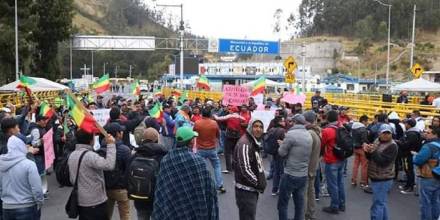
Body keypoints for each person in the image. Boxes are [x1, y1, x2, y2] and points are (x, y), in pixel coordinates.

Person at [152, 127, 218, 220]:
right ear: (191, 142)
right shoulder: (198, 161)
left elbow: (162, 189)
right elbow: (209, 188)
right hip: (194, 209)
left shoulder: (166, 160)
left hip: (172, 209)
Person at [68, 130, 116, 220]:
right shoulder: (90, 156)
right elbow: (109, 165)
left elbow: (72, 179)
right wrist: (111, 145)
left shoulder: (72, 155)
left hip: (81, 200)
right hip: (95, 201)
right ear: (91, 140)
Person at [0, 126, 44, 220]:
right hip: (27, 205)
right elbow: (37, 189)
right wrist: (39, 202)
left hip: (7, 207)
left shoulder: (1, 164)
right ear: (21, 146)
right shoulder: (29, 164)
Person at [277, 114, 312, 220]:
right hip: (303, 174)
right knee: (299, 204)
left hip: (290, 173)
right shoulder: (308, 134)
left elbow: (282, 153)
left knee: (282, 204)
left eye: (291, 121)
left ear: (295, 122)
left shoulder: (291, 134)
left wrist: (281, 144)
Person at [131, 127, 168, 220]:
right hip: (157, 197)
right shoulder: (163, 154)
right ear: (157, 139)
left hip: (139, 196)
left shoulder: (136, 154)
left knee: (142, 216)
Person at [233, 119, 266, 220]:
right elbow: (245, 169)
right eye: (255, 126)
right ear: (250, 127)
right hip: (246, 191)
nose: (258, 129)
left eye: (261, 127)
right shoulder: (245, 144)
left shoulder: (253, 141)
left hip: (251, 190)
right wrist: (258, 184)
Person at [364, 124, 398, 220]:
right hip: (376, 176)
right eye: (384, 133)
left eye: (388, 133)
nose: (386, 135)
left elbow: (382, 162)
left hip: (384, 178)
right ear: (379, 133)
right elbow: (370, 158)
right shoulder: (377, 141)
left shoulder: (392, 146)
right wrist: (367, 151)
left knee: (377, 205)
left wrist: (373, 151)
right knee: (381, 203)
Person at [102, 123, 131, 220]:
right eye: (121, 131)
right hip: (121, 188)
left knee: (106, 215)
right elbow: (128, 170)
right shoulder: (125, 150)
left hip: (106, 188)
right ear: (118, 134)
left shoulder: (101, 149)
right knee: (125, 215)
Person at [193, 107, 226, 193]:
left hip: (200, 149)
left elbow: (194, 134)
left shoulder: (197, 123)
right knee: (217, 166)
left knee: (200, 168)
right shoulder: (214, 123)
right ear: (210, 114)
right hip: (212, 149)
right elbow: (218, 135)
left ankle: (200, 185)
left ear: (202, 114)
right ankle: (220, 185)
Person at [320, 110, 345, 214]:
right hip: (341, 158)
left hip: (331, 159)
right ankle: (341, 204)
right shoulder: (342, 128)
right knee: (340, 182)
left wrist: (320, 155)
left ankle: (334, 206)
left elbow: (322, 144)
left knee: (332, 184)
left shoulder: (327, 130)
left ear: (328, 118)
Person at [413, 126, 440, 220]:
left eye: (428, 133)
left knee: (425, 202)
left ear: (435, 134)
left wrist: (415, 156)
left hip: (428, 176)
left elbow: (418, 160)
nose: (425, 134)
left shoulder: (429, 146)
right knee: (436, 201)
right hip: (438, 175)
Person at [303, 111, 322, 220]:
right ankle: (311, 214)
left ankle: (305, 215)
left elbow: (305, 151)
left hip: (307, 167)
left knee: (304, 193)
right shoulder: (316, 131)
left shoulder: (309, 133)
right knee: (311, 192)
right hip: (313, 167)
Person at [214, 106, 245, 173]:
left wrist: (214, 115)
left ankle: (228, 168)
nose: (228, 111)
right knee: (235, 151)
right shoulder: (240, 117)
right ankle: (234, 166)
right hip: (237, 136)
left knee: (227, 152)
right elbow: (244, 121)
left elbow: (219, 119)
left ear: (232, 111)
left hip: (229, 135)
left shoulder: (230, 116)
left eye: (230, 110)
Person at [396, 118, 422, 194]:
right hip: (407, 154)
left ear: (409, 124)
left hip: (408, 154)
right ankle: (407, 184)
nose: (405, 125)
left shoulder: (412, 134)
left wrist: (398, 142)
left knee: (409, 171)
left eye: (406, 123)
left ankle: (410, 187)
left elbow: (406, 145)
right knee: (408, 170)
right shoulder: (411, 132)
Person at [28, 115, 49, 198]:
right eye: (43, 120)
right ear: (39, 121)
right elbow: (34, 143)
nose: (45, 122)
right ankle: (41, 192)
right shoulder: (36, 130)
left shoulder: (42, 128)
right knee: (40, 174)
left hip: (42, 154)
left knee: (42, 173)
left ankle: (43, 190)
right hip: (38, 156)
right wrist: (41, 141)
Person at [265, 116, 286, 195]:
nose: (284, 122)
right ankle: (281, 189)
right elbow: (285, 142)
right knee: (282, 172)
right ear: (279, 122)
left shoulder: (271, 129)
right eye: (283, 121)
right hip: (280, 153)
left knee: (276, 172)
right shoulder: (282, 130)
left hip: (273, 152)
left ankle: (274, 189)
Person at [351, 115, 370, 188]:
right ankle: (363, 182)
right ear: (363, 121)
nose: (367, 123)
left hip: (355, 147)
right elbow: (364, 140)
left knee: (355, 165)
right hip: (362, 148)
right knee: (364, 166)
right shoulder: (363, 129)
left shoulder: (354, 127)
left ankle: (353, 180)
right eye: (366, 121)